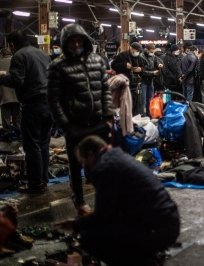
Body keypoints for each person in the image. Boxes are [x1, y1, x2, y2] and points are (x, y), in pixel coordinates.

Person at [56, 136, 180, 266]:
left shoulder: (105, 168)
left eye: (82, 162)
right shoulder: (119, 158)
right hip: (167, 223)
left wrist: (76, 225)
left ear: (91, 155)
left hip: (157, 230)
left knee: (89, 238)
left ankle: (144, 261)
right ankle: (145, 257)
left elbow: (103, 217)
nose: (83, 167)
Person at [46, 24, 114, 216]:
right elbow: (53, 99)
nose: (76, 45)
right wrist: (65, 125)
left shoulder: (97, 61)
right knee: (75, 166)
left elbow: (104, 90)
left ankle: (105, 197)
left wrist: (108, 116)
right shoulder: (57, 66)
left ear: (85, 41)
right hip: (74, 124)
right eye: (72, 41)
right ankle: (79, 200)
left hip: (98, 121)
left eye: (79, 41)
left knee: (102, 163)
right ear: (64, 43)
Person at [0, 31, 52, 192]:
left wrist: (1, 76)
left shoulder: (19, 56)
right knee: (43, 144)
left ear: (12, 45)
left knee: (32, 146)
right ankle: (43, 179)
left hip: (33, 105)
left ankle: (35, 183)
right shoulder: (43, 54)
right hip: (49, 105)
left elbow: (17, 80)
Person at [0, 48, 20, 140]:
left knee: (5, 115)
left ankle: (8, 133)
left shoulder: (0, 62)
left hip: (4, 95)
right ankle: (18, 132)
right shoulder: (16, 61)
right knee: (17, 115)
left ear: (2, 55)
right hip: (16, 94)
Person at [140, 44, 162, 116]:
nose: (152, 53)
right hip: (143, 81)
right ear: (147, 50)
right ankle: (143, 115)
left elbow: (156, 62)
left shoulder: (153, 56)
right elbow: (142, 71)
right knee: (143, 100)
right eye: (151, 52)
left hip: (150, 81)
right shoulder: (141, 57)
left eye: (153, 52)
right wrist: (152, 73)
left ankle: (149, 115)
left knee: (150, 99)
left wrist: (159, 65)